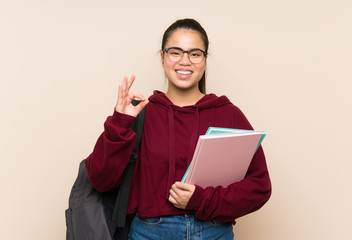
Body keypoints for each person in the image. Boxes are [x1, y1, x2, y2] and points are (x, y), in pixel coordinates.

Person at [85, 18, 271, 240]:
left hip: (213, 233)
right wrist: (119, 121)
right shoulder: (140, 112)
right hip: (149, 233)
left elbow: (259, 186)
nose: (185, 61)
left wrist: (201, 200)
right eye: (175, 52)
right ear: (163, 57)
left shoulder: (228, 114)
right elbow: (100, 180)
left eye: (194, 53)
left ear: (204, 59)